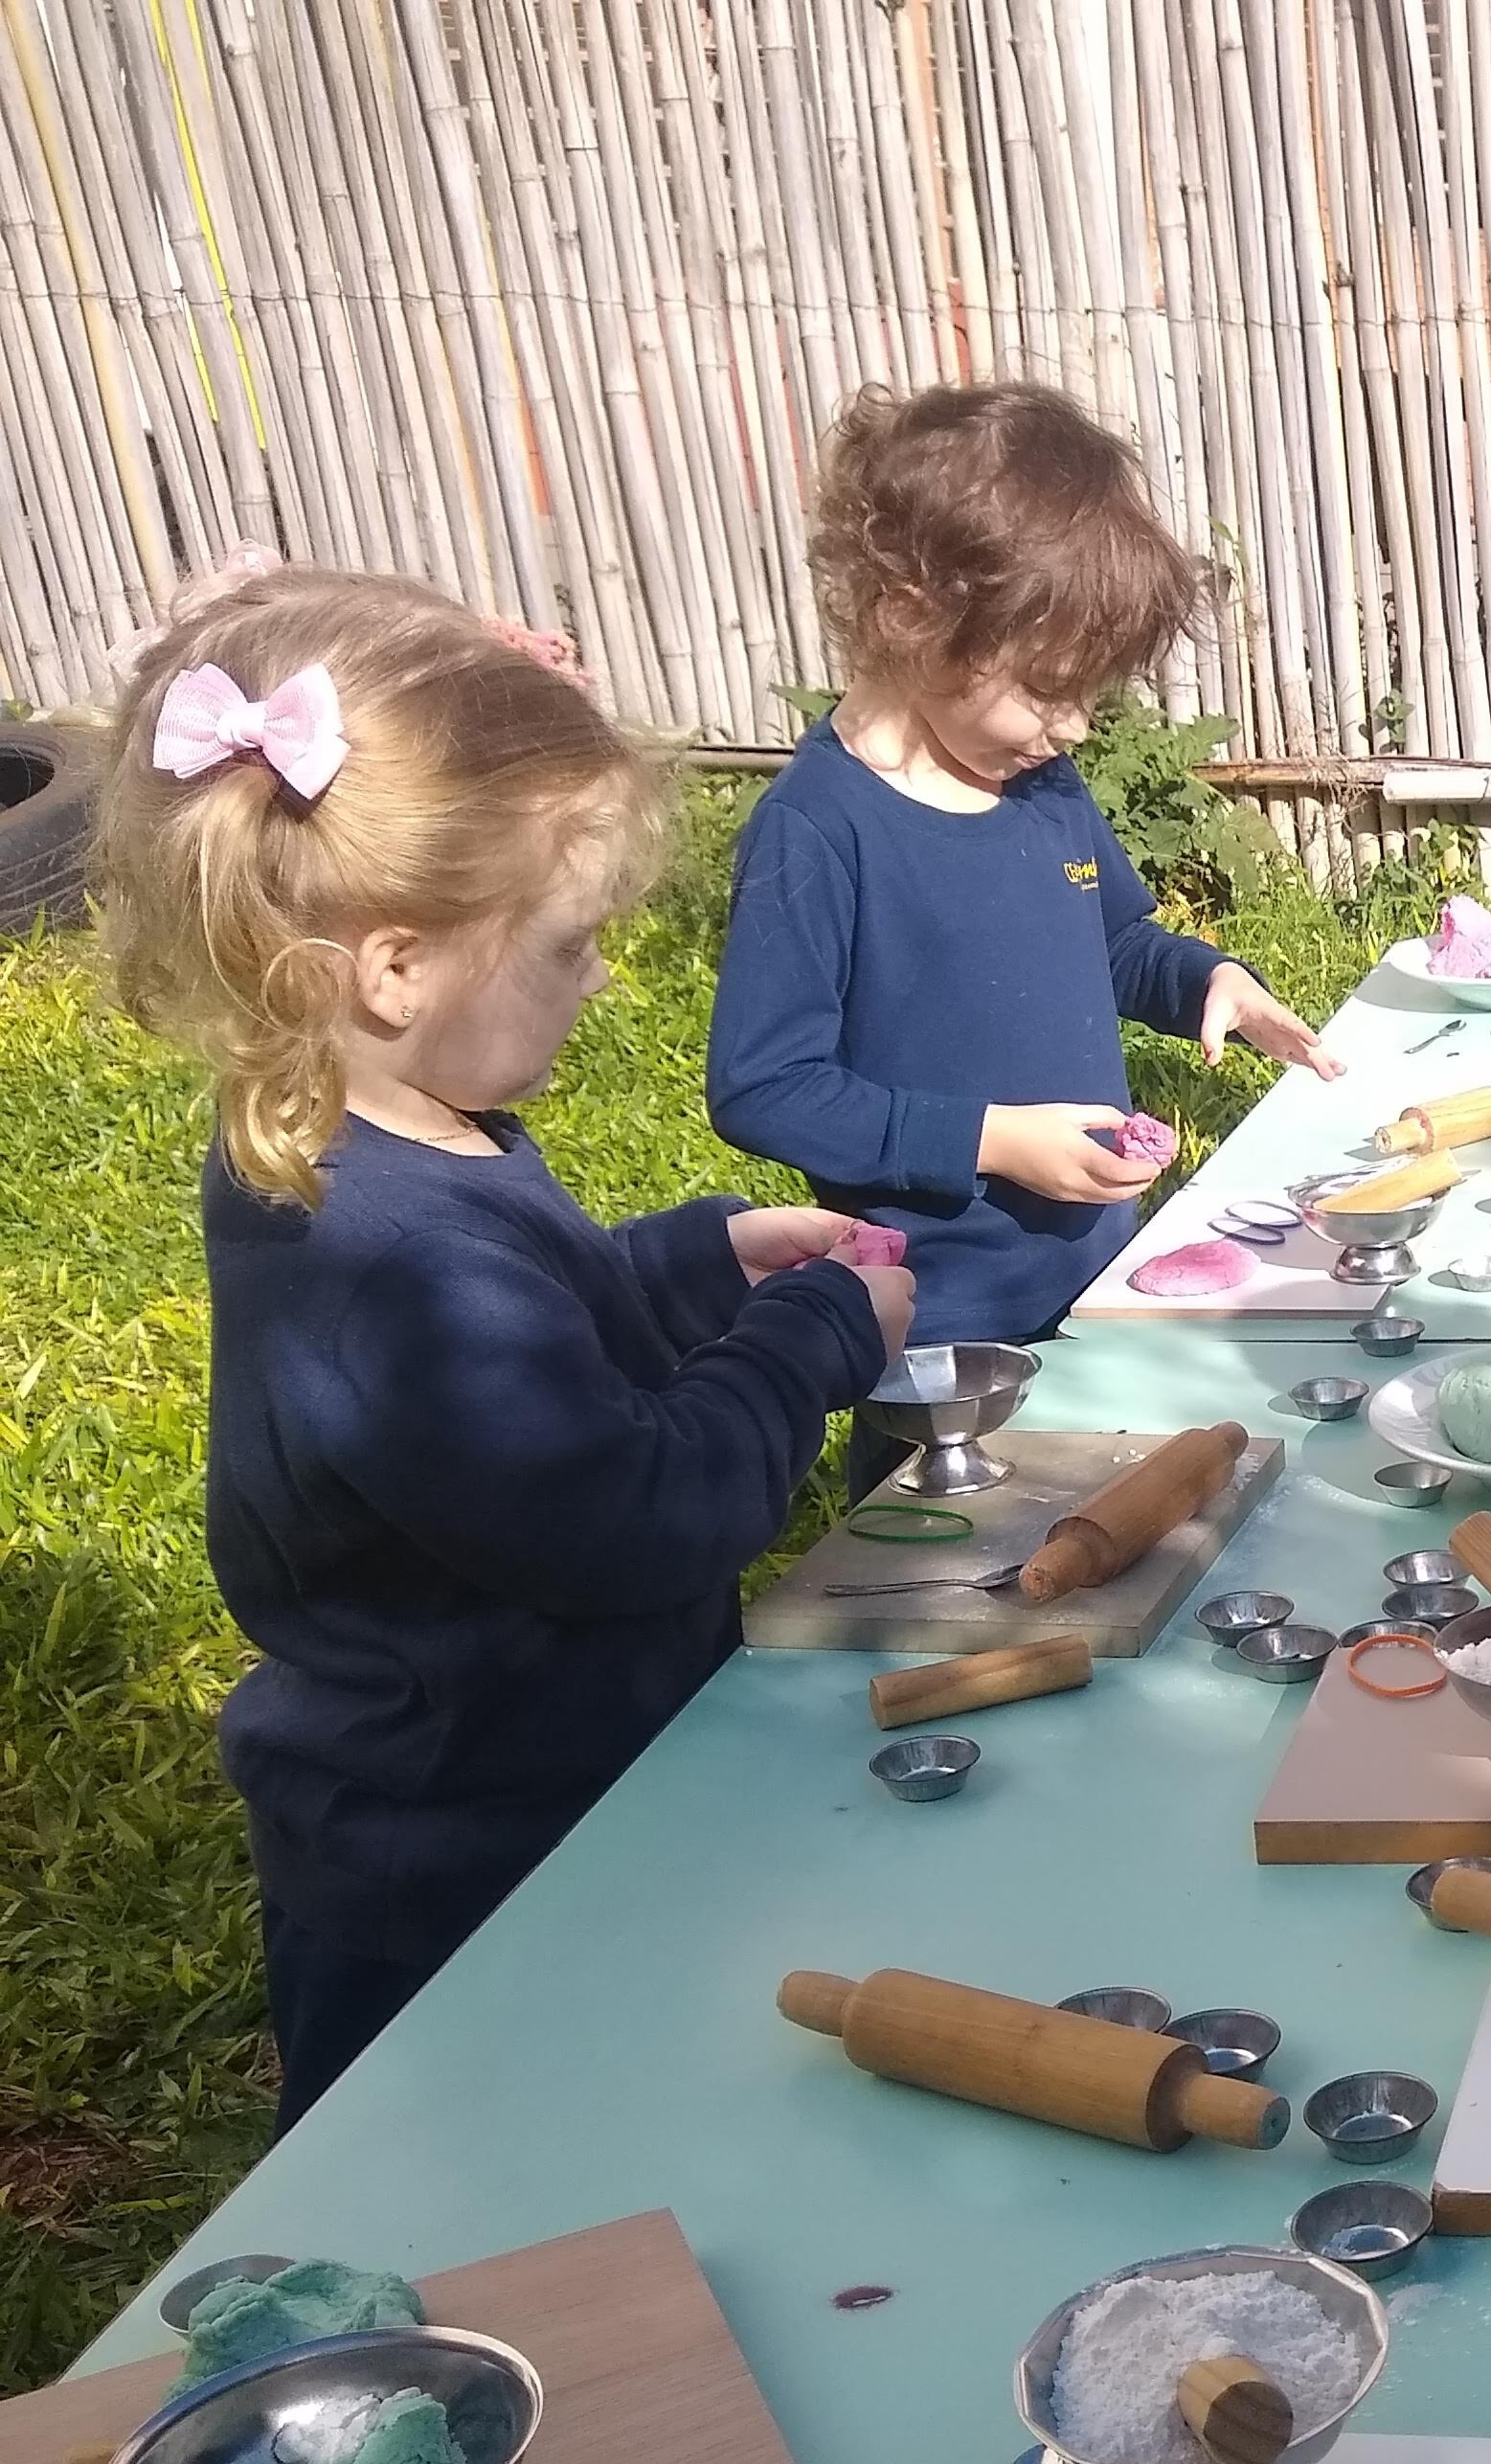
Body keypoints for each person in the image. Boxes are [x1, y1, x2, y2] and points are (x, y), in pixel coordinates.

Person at [90, 568, 912, 2122]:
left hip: (528, 1804)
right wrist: (808, 1342)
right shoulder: (386, 1256)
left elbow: (535, 1348)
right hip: (463, 1878)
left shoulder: (373, 1142)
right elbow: (634, 1513)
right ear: (396, 963)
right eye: (566, 942)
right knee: (467, 2182)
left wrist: (695, 1265)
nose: (600, 975)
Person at [709, 383, 1337, 1364]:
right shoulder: (820, 828)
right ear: (911, 618)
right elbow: (765, 1087)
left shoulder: (1040, 784)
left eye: (1089, 694)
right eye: (1048, 689)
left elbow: (1112, 941)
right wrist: (990, 1141)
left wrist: (1207, 980)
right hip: (935, 1315)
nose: (1075, 725)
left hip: (1097, 1272)